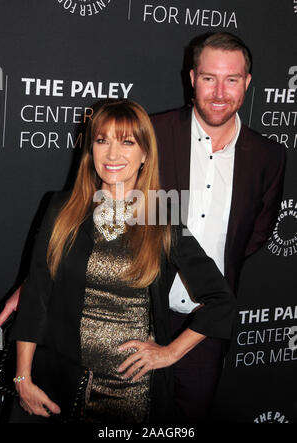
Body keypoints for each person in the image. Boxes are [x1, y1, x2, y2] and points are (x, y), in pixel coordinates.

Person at [4, 99, 235, 423]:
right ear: (90, 149)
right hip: (63, 387)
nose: (112, 154)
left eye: (127, 142)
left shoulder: (160, 218)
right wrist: (22, 378)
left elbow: (220, 300)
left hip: (132, 396)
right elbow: (37, 298)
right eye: (102, 140)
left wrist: (170, 352)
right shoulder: (61, 209)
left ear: (144, 154)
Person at [150, 32, 286, 422]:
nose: (220, 92)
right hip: (139, 311)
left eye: (232, 80)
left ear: (246, 82)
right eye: (210, 78)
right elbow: (97, 210)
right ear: (192, 78)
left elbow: (255, 233)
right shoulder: (152, 134)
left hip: (206, 329)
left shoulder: (269, 156)